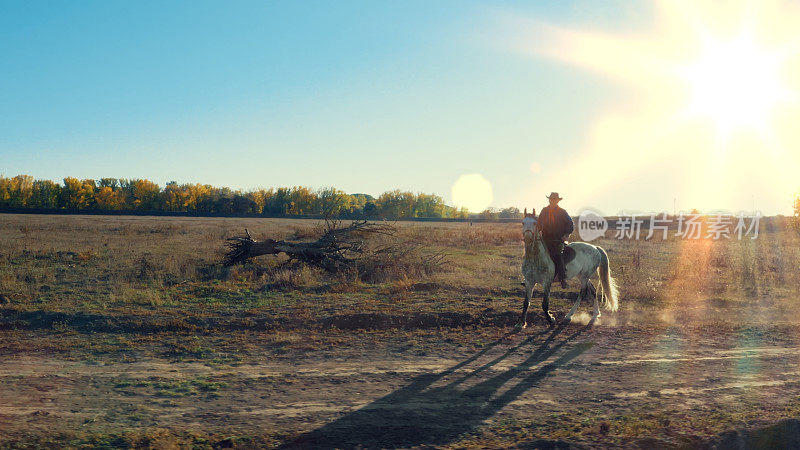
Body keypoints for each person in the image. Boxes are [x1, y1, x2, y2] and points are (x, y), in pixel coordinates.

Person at [537, 192, 574, 289]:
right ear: (549, 200)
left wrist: (566, 234)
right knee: (535, 253)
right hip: (545, 239)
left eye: (554, 199)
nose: (552, 201)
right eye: (551, 199)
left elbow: (570, 224)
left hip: (558, 240)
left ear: (558, 200)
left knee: (558, 255)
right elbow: (539, 223)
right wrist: (537, 230)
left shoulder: (562, 212)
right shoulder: (544, 211)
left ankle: (562, 278)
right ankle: (530, 277)